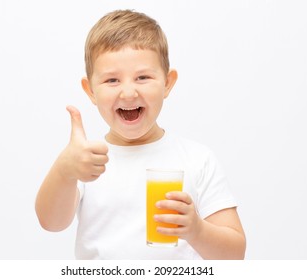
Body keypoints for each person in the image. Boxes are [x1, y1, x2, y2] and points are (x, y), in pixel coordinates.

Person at [35, 9, 246, 260]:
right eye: (112, 80)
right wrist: (64, 170)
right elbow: (51, 222)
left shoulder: (197, 159)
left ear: (167, 83)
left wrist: (197, 230)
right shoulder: (86, 160)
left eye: (143, 77)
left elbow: (235, 254)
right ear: (90, 90)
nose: (128, 93)